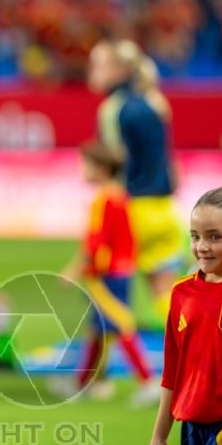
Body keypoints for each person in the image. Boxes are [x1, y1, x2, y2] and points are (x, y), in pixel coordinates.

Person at [88, 39, 185, 326]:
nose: (92, 71)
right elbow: (172, 165)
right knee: (164, 294)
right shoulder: (155, 103)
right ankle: (196, 354)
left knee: (108, 293)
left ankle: (104, 364)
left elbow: (114, 162)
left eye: (100, 64)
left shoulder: (113, 109)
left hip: (132, 210)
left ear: (120, 69)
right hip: (164, 209)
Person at [57, 142, 159, 405]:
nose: (83, 170)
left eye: (87, 165)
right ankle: (83, 384)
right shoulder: (119, 196)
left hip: (107, 275)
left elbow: (95, 243)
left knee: (120, 324)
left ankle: (147, 381)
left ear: (101, 169)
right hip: (120, 271)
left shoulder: (104, 200)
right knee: (97, 329)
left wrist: (72, 271)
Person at [145, 186, 222, 445]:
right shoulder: (182, 293)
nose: (202, 246)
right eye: (195, 237)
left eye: (214, 237)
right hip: (191, 426)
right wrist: (159, 437)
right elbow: (172, 371)